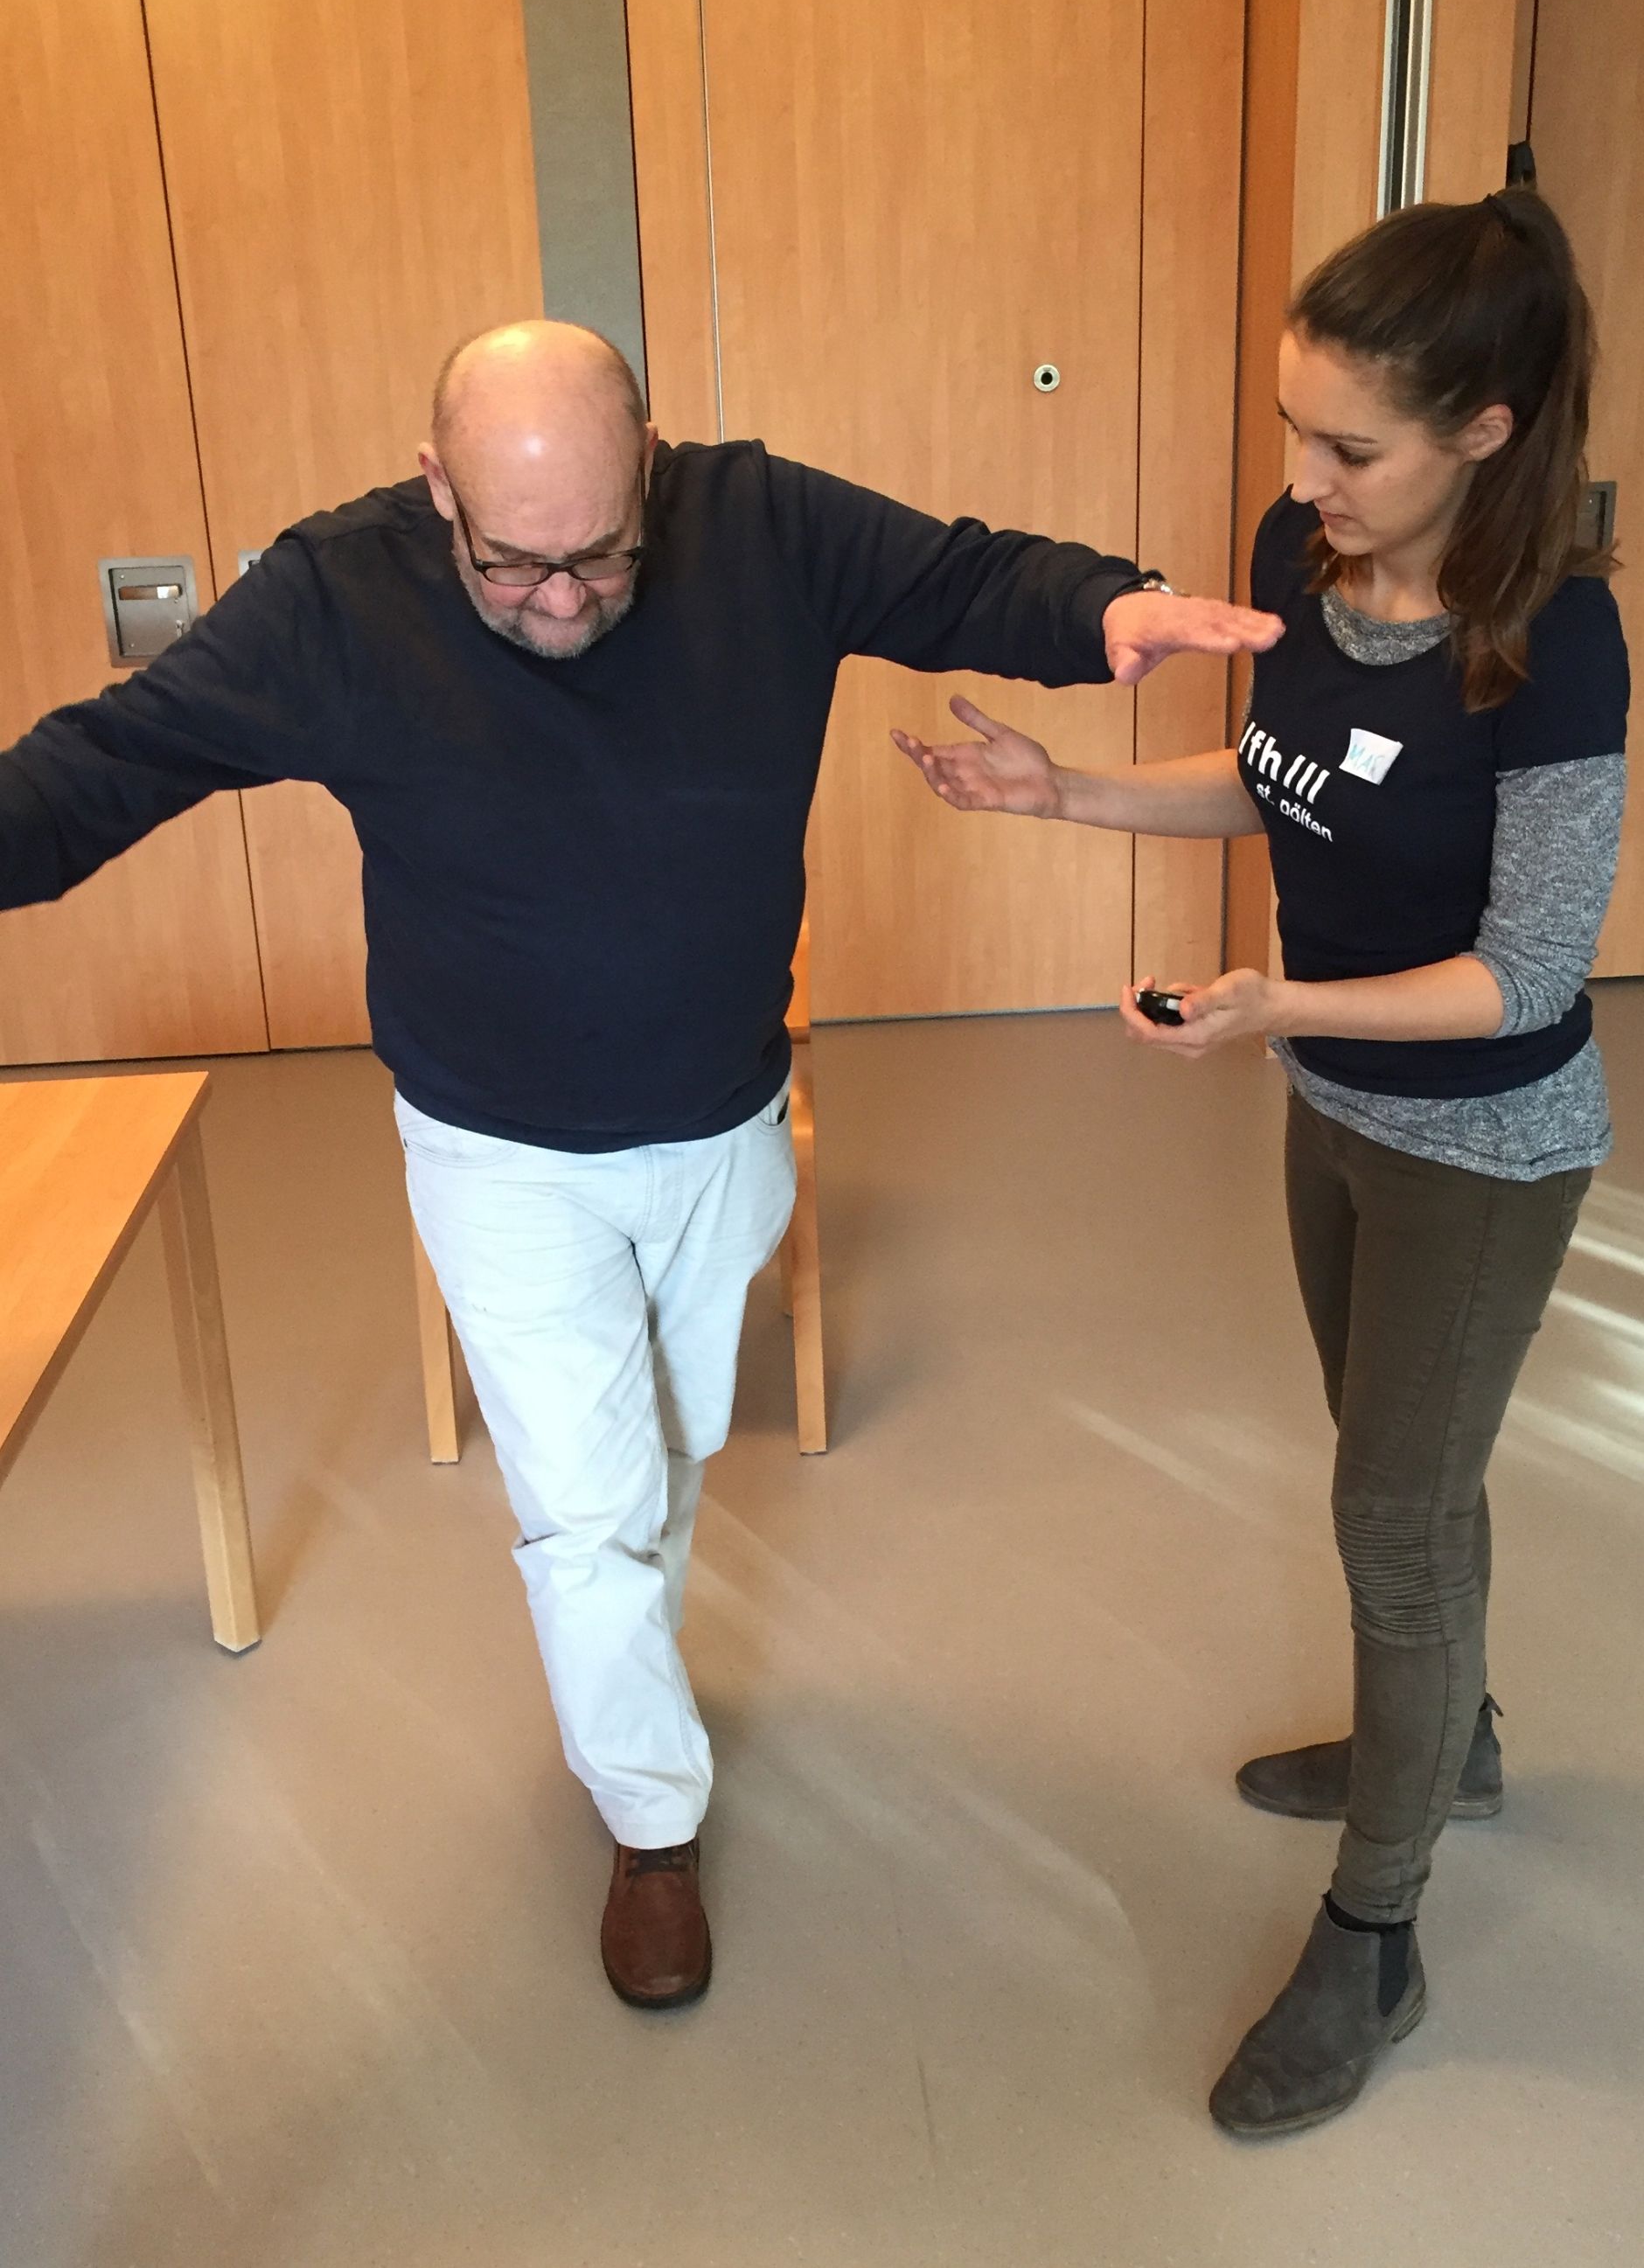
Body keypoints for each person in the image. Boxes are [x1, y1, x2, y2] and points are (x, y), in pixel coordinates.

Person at [0, 319, 1278, 2008]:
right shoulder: (337, 596)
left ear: (653, 469)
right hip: (496, 1148)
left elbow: (963, 577)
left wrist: (1105, 608)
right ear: (440, 488)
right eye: (510, 562)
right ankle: (652, 1824)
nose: (559, 598)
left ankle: (627, 1695)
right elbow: (110, 762)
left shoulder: (759, 525)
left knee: (666, 1458)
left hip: (719, 1120)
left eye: (600, 555)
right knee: (591, 1508)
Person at [895, 192, 1629, 2130]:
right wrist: (1063, 792)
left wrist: (1276, 1004)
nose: (1303, 482)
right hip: (1335, 1108)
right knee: (1403, 1474)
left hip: (1484, 1147)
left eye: (1349, 448)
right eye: (1295, 431)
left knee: (1393, 1515)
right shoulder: (1301, 559)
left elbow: (1526, 974)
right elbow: (1278, 774)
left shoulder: (1555, 638)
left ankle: (1376, 1935)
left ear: (1484, 430)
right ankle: (1453, 1741)